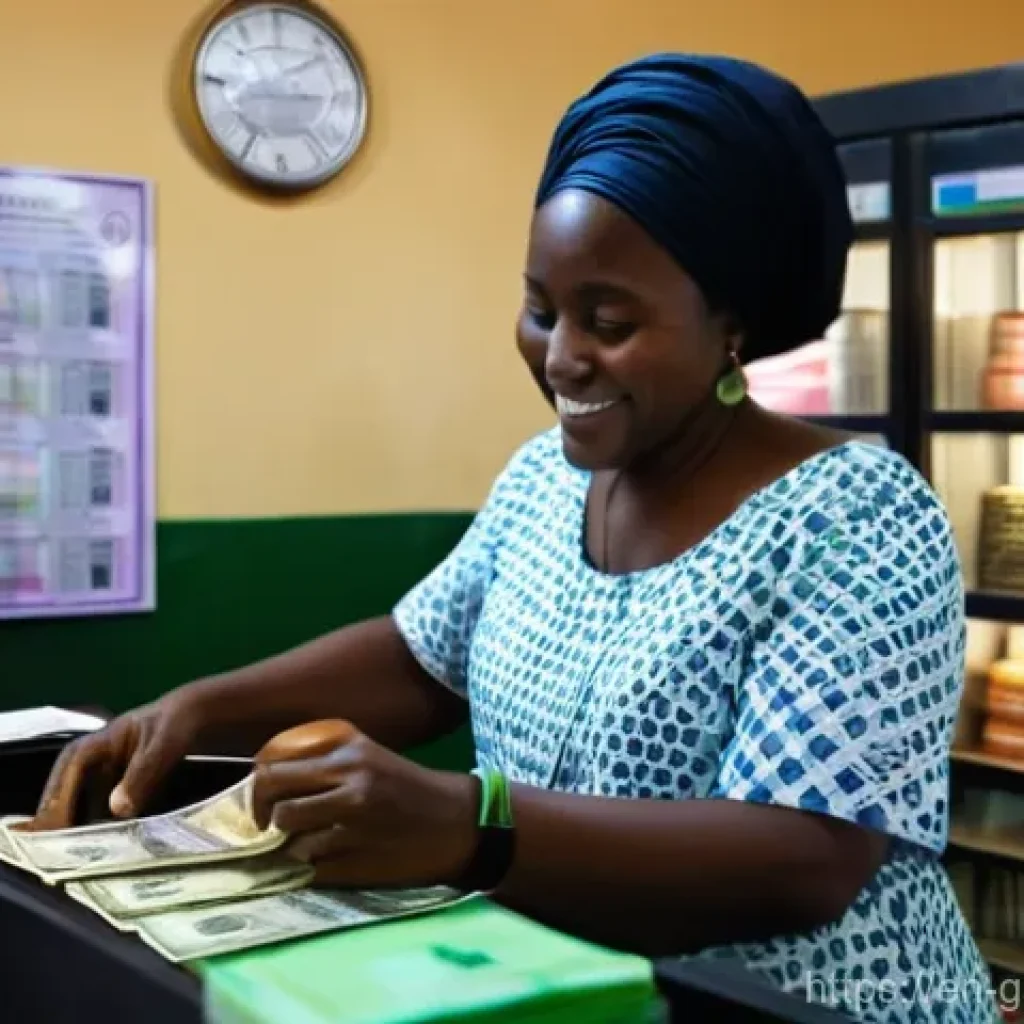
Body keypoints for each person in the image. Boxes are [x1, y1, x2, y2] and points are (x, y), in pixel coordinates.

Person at [31, 53, 995, 1023]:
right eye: (541, 309)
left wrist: (471, 825)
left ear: (730, 325)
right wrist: (201, 711)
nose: (562, 356)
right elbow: (421, 659)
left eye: (609, 320)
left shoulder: (855, 516)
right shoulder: (545, 476)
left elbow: (806, 858)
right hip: (579, 993)